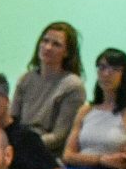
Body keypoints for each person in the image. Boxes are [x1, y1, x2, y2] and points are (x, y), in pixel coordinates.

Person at [11, 21, 88, 154]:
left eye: (56, 44)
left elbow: (58, 137)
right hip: (19, 143)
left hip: (46, 153)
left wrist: (22, 146)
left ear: (67, 53)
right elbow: (12, 118)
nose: (47, 47)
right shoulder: (26, 78)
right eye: (45, 41)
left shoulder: (73, 86)